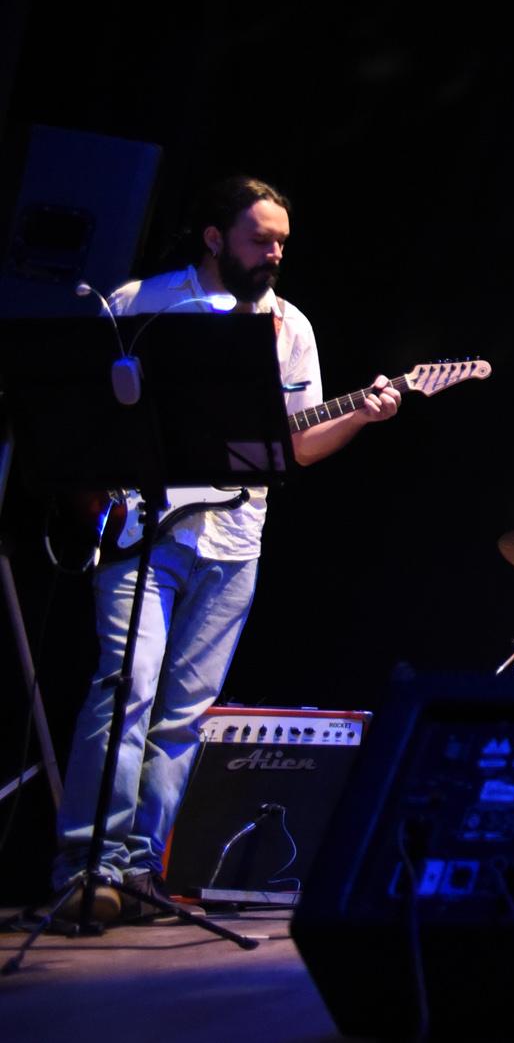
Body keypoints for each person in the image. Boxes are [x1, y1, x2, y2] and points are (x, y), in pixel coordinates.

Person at [33, 177, 400, 928]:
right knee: (126, 686)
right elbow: (81, 413)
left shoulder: (289, 326)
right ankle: (88, 866)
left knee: (184, 715)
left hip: (234, 540)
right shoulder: (143, 302)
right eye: (260, 239)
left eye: (282, 243)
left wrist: (362, 415)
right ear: (213, 238)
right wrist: (93, 504)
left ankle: (140, 868)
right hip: (144, 528)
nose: (275, 253)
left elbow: (298, 444)